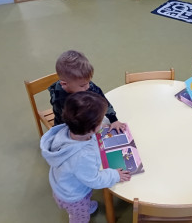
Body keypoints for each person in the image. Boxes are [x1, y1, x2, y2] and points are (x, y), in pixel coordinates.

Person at [40, 91, 131, 223]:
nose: (103, 122)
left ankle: (86, 206)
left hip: (62, 183)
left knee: (84, 203)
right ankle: (81, 212)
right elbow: (94, 180)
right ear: (92, 128)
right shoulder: (82, 157)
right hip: (74, 197)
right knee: (80, 219)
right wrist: (115, 175)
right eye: (101, 120)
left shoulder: (69, 130)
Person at [48, 50, 126, 132]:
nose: (88, 87)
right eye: (82, 85)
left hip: (86, 116)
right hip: (67, 126)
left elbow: (102, 100)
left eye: (88, 82)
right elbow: (68, 123)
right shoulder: (59, 98)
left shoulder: (85, 83)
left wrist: (114, 120)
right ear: (64, 84)